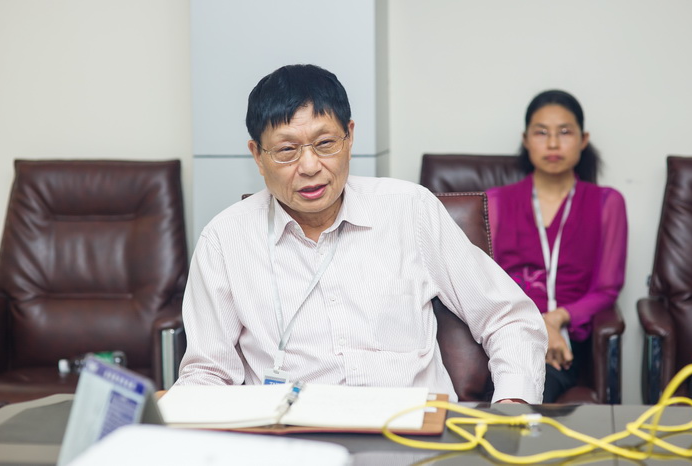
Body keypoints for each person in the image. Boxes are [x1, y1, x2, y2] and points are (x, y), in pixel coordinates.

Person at [174, 64, 547, 403]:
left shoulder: (410, 210)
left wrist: (512, 408)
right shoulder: (225, 240)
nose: (310, 166)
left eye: (325, 144)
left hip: (416, 435)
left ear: (349, 137)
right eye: (287, 150)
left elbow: (509, 318)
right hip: (293, 440)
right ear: (257, 155)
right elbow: (207, 373)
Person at [486, 90, 628, 403]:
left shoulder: (607, 202)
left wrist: (556, 319)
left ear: (583, 139)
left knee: (531, 385)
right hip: (505, 331)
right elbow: (484, 284)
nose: (552, 143)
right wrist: (536, 323)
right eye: (541, 133)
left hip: (564, 341)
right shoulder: (495, 202)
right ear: (526, 139)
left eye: (564, 132)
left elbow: (607, 289)